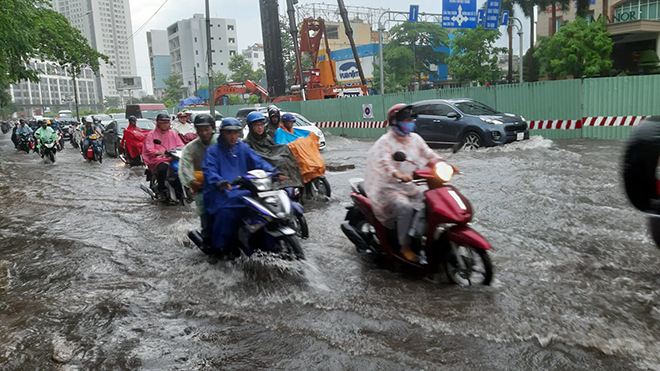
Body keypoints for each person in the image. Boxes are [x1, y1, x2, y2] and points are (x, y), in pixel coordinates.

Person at [364, 104, 442, 262]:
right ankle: (404, 246)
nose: (410, 122)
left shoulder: (415, 139)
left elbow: (429, 153)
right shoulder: (385, 142)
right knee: (405, 207)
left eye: (411, 118)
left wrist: (444, 163)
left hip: (409, 185)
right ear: (395, 121)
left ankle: (418, 235)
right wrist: (397, 173)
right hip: (389, 187)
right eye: (405, 119)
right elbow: (385, 162)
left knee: (430, 200)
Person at [202, 117, 276, 253]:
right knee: (226, 214)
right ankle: (221, 247)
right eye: (229, 133)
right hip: (221, 193)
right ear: (222, 133)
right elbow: (209, 170)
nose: (232, 136)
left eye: (235, 132)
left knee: (264, 211)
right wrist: (220, 181)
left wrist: (273, 171)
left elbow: (258, 161)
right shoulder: (212, 151)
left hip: (244, 190)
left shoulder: (243, 148)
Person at [179, 114, 218, 245]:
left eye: (206, 129)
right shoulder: (191, 148)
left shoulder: (222, 142)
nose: (204, 133)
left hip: (225, 183)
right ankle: (207, 238)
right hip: (204, 186)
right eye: (200, 129)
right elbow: (185, 166)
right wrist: (192, 182)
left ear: (212, 128)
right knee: (205, 211)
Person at [243, 111, 304, 190]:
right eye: (256, 125)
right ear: (251, 127)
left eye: (261, 124)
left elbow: (274, 148)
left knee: (285, 150)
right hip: (262, 174)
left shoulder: (266, 137)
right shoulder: (247, 143)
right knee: (281, 160)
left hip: (274, 167)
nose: (259, 127)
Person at [273, 113, 326, 186]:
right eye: (288, 122)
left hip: (301, 153)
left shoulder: (293, 130)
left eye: (291, 122)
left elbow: (304, 136)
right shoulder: (279, 131)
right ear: (284, 122)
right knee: (304, 164)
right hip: (291, 156)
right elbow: (280, 143)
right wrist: (293, 145)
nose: (290, 124)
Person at [143, 113, 185, 199]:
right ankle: (160, 191)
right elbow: (149, 147)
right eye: (162, 123)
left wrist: (184, 150)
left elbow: (181, 145)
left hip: (173, 158)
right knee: (162, 169)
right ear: (158, 123)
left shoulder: (173, 134)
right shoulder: (151, 135)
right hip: (158, 159)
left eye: (166, 122)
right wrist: (157, 152)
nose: (165, 125)